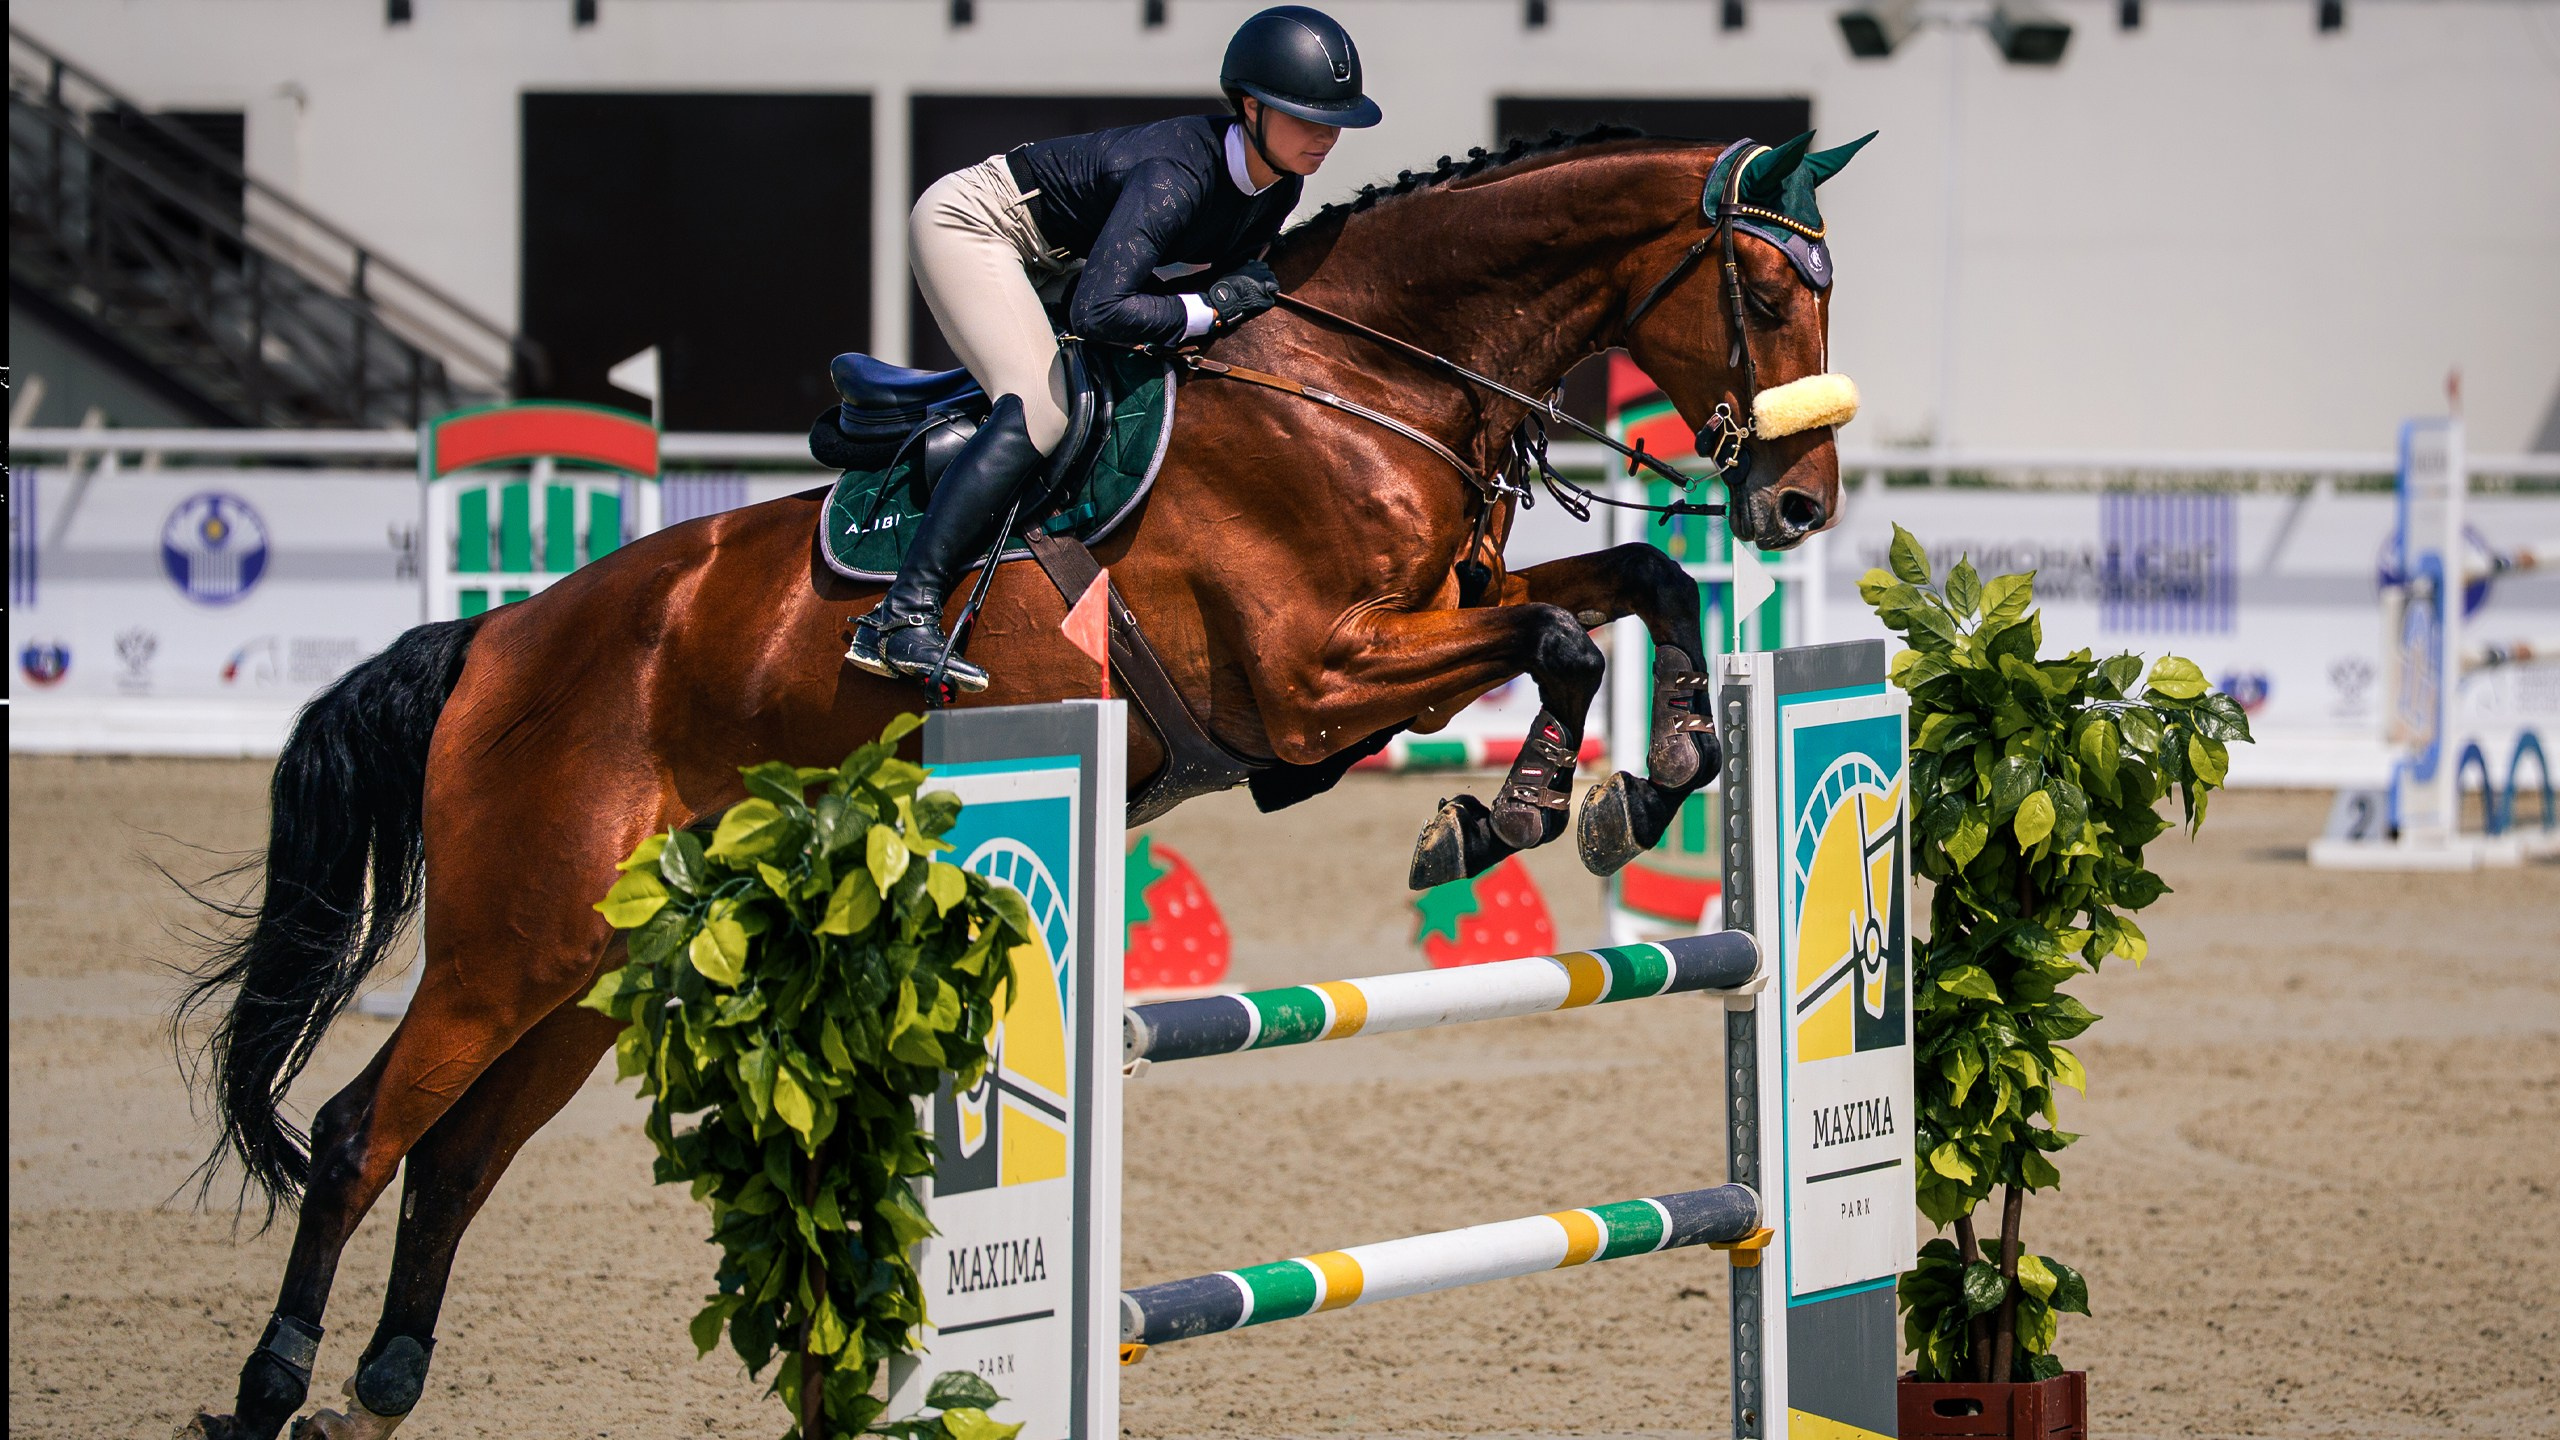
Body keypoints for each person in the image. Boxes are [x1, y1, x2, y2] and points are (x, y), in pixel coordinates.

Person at [847, 4, 1381, 692]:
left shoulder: (1281, 184)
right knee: (1041, 412)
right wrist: (1205, 307)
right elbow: (1101, 309)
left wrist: (1219, 302)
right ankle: (899, 615)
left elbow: (1194, 294)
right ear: (1249, 108)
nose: (1326, 137)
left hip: (1060, 262)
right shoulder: (1174, 175)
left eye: (1334, 121)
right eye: (1307, 117)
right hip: (974, 226)